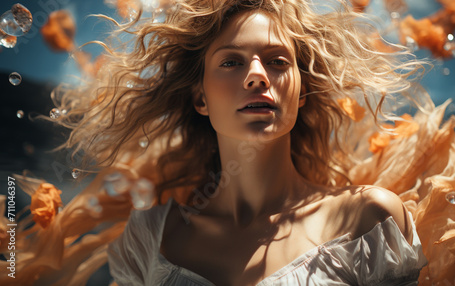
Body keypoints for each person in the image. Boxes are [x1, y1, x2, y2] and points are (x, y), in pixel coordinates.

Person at [94, 0, 427, 285]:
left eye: (278, 61)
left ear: (300, 93)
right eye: (231, 62)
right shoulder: (152, 238)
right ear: (201, 99)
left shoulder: (367, 221)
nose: (258, 75)